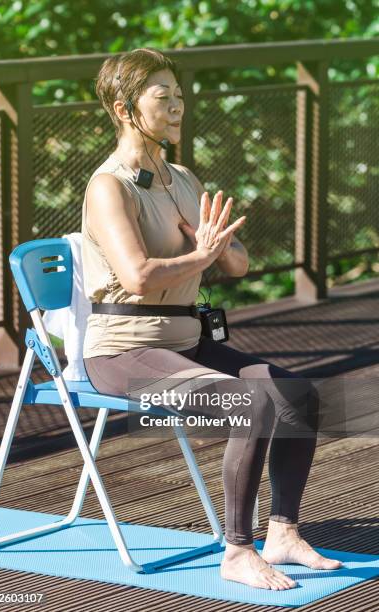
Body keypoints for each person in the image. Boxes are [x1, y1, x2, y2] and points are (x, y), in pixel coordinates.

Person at [81, 47, 343, 591]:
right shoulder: (108, 186)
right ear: (125, 107)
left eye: (179, 94)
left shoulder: (182, 176)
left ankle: (283, 533)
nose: (178, 106)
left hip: (187, 342)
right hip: (122, 352)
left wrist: (217, 248)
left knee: (297, 393)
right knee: (249, 405)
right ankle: (237, 550)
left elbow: (240, 263)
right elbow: (137, 277)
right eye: (163, 96)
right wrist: (199, 255)